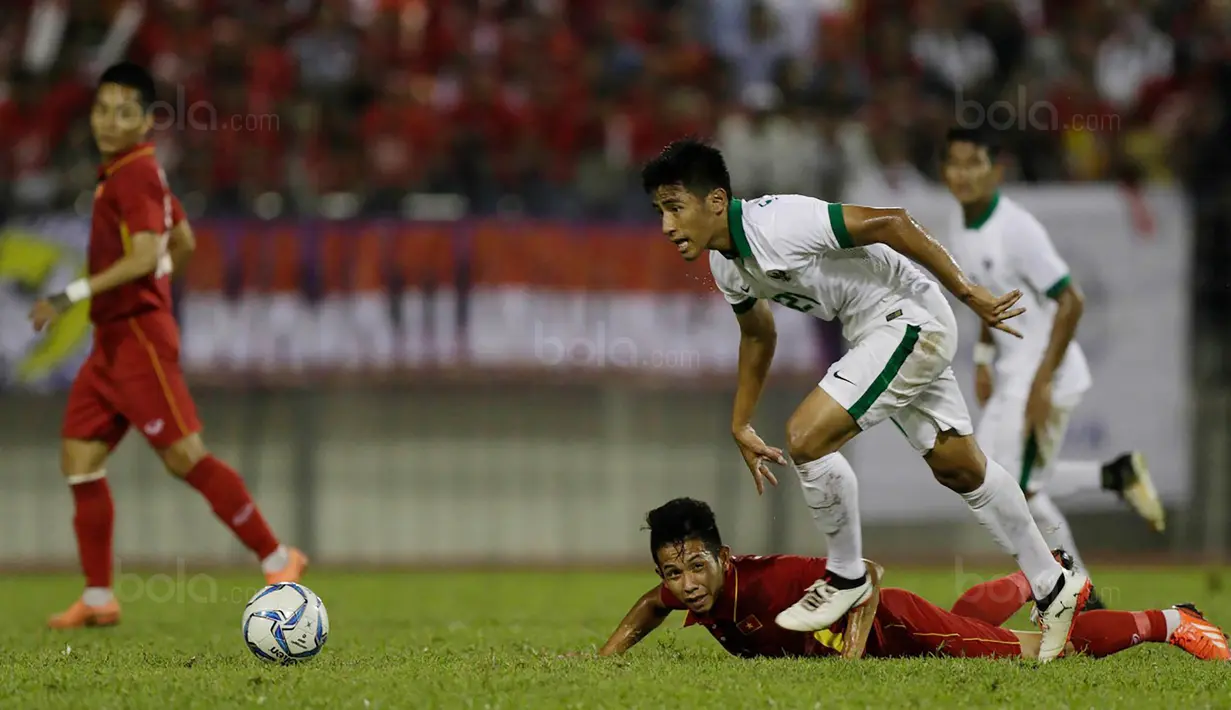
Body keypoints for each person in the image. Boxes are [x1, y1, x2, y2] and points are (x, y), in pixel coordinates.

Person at [640, 139, 1088, 662]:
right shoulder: (726, 264)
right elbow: (759, 334)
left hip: (907, 318)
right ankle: (1055, 585)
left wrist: (970, 295)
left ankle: (847, 574)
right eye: (660, 212)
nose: (668, 226)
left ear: (715, 201)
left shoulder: (778, 223)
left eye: (675, 208)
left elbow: (892, 221)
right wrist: (741, 422)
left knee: (807, 435)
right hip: (878, 330)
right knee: (960, 468)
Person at [27, 62, 307, 629]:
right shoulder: (131, 172)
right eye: (102, 109)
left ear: (149, 120)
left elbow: (146, 250)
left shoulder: (132, 175)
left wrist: (69, 295)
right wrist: (156, 282)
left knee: (185, 457)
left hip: (136, 341)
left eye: (123, 111)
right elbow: (182, 240)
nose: (109, 121)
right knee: (80, 461)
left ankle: (278, 557)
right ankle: (100, 598)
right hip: (111, 343)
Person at [940, 127, 1166, 608]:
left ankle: (1079, 596)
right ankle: (1114, 477)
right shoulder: (962, 225)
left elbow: (1072, 301)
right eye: (956, 164)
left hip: (1045, 374)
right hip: (1014, 373)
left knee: (1012, 487)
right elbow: (987, 298)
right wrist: (982, 359)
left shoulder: (1016, 228)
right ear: (945, 171)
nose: (964, 174)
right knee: (1009, 480)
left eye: (974, 163)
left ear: (995, 170)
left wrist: (1042, 384)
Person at [595, 498, 1229, 662]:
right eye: (674, 572)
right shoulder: (694, 591)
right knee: (973, 619)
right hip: (897, 628)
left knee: (1043, 652)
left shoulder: (768, 584)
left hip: (898, 628)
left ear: (723, 555)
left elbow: (865, 574)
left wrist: (850, 654)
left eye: (696, 565)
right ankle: (1050, 577)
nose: (686, 583)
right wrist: (607, 657)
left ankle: (1174, 622)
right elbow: (651, 605)